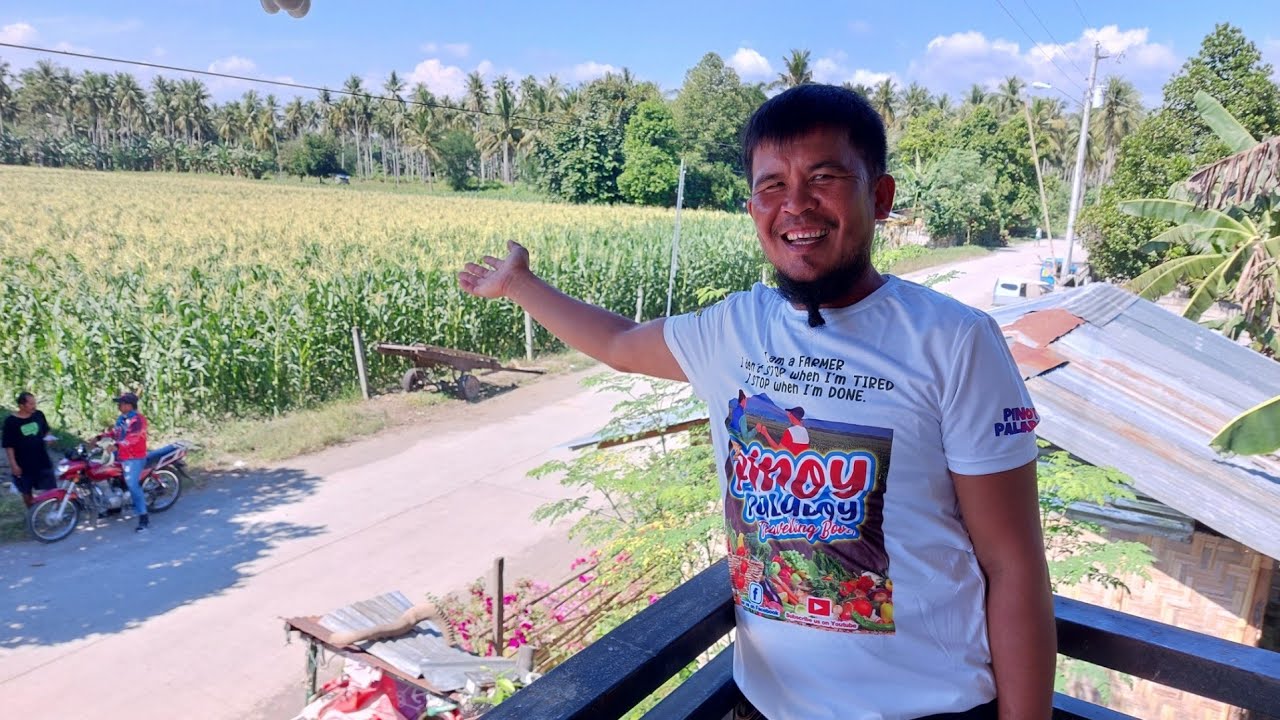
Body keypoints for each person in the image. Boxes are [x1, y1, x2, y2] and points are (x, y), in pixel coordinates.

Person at [458, 84, 1054, 720]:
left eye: (824, 177)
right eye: (772, 186)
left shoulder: (954, 340)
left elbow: (1011, 562)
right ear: (752, 207)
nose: (795, 205)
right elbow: (621, 343)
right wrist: (520, 284)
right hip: (766, 705)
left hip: (929, 708)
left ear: (879, 197)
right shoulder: (733, 329)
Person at [100, 392, 150, 532]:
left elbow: (133, 438)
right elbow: (115, 433)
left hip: (134, 457)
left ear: (129, 405)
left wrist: (117, 445)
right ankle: (114, 507)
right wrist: (99, 437)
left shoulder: (138, 420)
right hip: (121, 454)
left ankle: (143, 517)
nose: (118, 406)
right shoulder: (122, 419)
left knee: (132, 485)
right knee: (107, 475)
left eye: (121, 403)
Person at [3, 392, 57, 507]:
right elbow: (8, 445)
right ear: (21, 406)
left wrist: (49, 437)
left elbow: (46, 430)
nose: (34, 406)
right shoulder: (11, 422)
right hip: (23, 463)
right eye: (31, 404)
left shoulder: (38, 415)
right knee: (26, 492)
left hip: (42, 459)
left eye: (35, 403)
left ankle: (55, 511)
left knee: (51, 489)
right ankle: (32, 513)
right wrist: (14, 465)